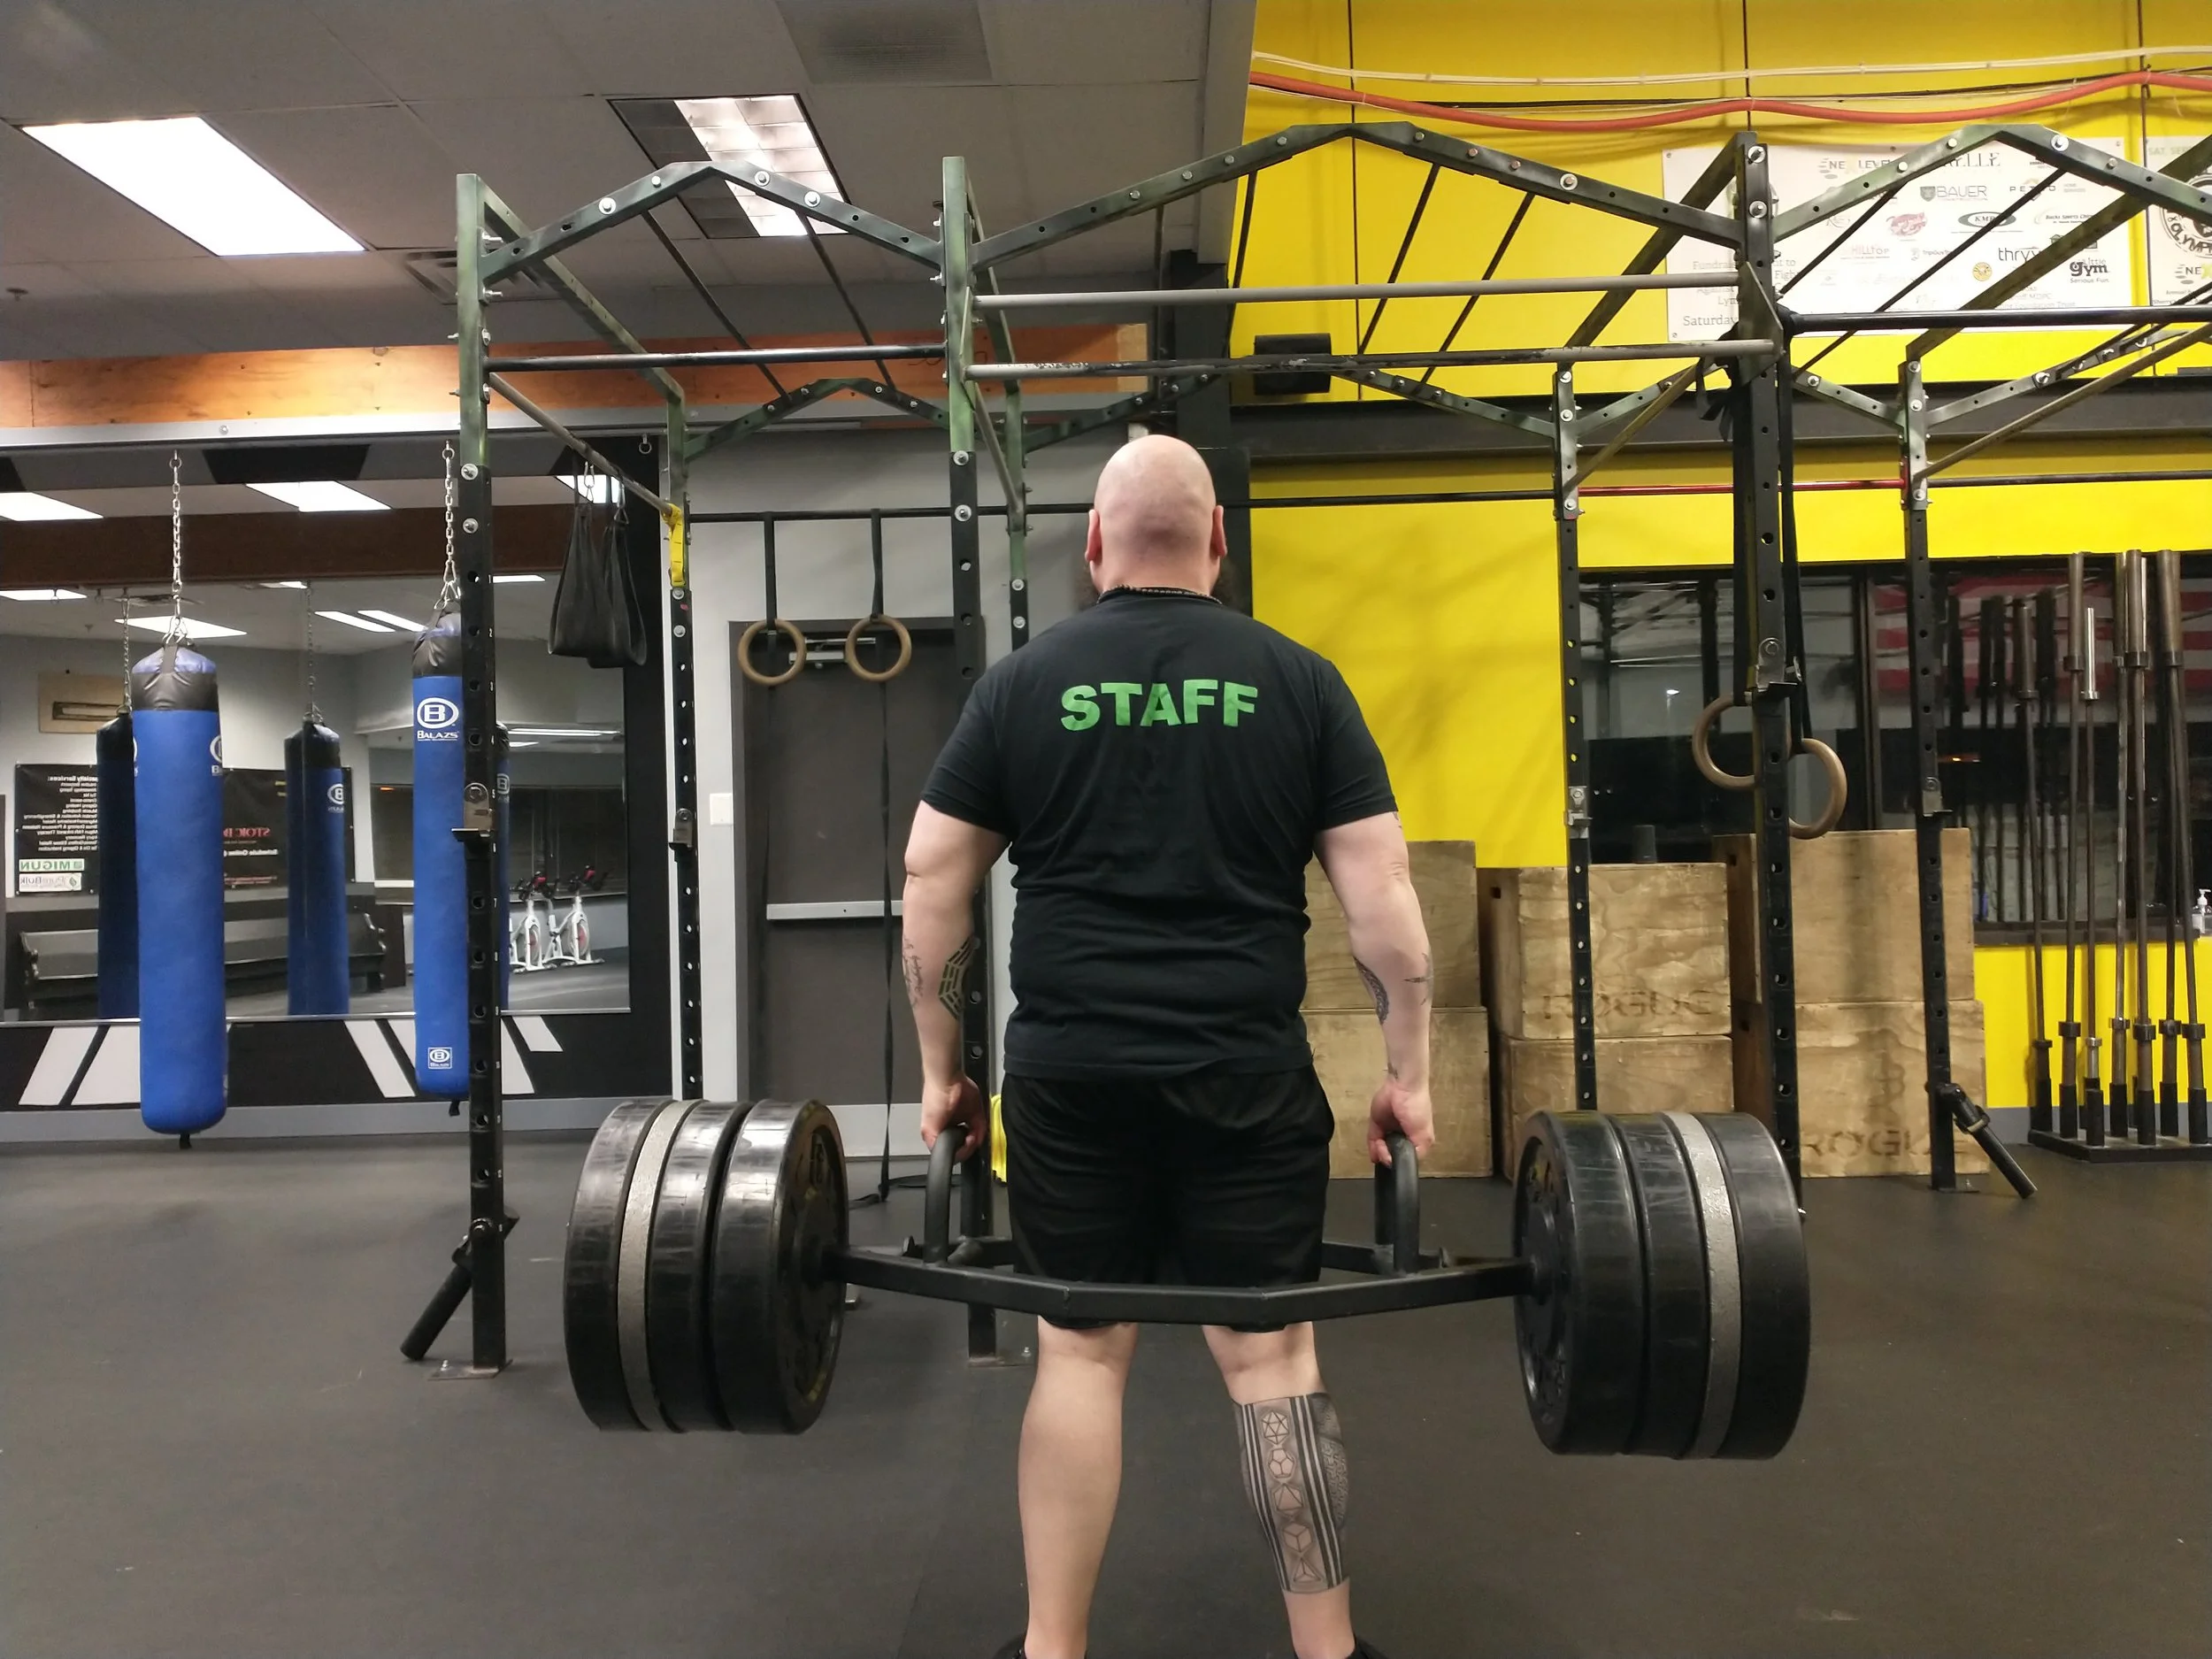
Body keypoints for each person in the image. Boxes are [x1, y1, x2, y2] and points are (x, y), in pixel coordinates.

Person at [902, 434, 1435, 1659]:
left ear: (1092, 547)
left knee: (1080, 1352)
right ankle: (1330, 1651)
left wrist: (942, 1068)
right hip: (1243, 1072)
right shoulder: (1301, 681)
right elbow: (1385, 903)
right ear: (1219, 545)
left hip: (1073, 1077)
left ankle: (1052, 1649)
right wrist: (1408, 1074)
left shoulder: (1022, 684)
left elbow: (932, 879)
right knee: (1271, 1356)